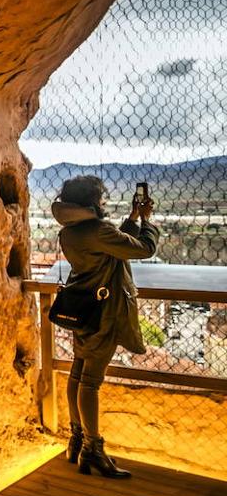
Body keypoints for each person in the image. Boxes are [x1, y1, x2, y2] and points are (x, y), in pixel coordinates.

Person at [52, 176, 159, 479]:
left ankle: (76, 438)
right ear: (90, 203)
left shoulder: (70, 231)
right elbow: (142, 249)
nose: (104, 203)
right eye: (101, 199)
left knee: (77, 372)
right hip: (104, 314)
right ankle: (93, 449)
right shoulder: (99, 230)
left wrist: (132, 219)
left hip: (81, 309)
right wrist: (147, 223)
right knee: (91, 382)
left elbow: (111, 245)